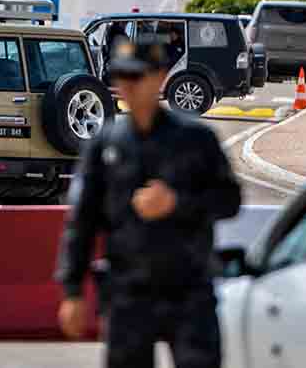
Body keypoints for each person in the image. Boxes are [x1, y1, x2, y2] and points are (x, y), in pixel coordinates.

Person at [56, 38, 241, 368]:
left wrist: (177, 203)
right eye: (121, 76)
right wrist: (72, 291)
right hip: (129, 292)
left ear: (159, 77)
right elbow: (82, 221)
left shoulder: (195, 139)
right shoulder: (105, 144)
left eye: (136, 76)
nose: (126, 85)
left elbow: (229, 200)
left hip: (189, 290)